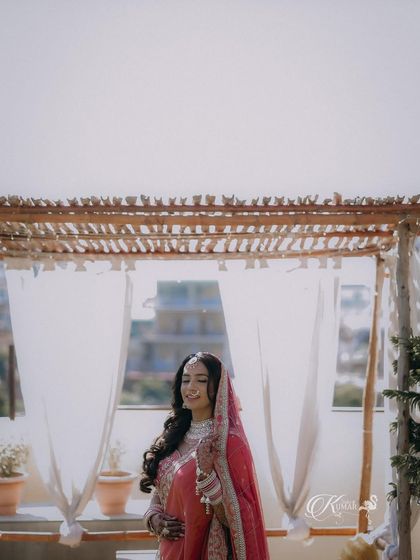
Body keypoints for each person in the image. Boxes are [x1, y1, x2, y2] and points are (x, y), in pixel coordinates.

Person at [140, 351, 270, 560]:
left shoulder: (228, 442)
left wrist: (207, 476)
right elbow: (163, 487)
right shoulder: (175, 435)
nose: (191, 387)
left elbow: (237, 519)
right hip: (169, 552)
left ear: (218, 388)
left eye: (201, 380)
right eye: (185, 380)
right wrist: (153, 516)